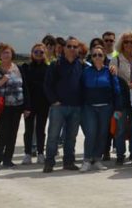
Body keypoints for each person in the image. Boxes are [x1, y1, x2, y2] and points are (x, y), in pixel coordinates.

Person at [43, 38, 85, 173]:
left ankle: (69, 162)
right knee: (53, 136)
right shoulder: (56, 64)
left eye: (75, 46)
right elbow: (47, 85)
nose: (72, 49)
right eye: (69, 46)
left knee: (71, 137)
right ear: (64, 48)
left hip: (76, 107)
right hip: (58, 108)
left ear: (78, 49)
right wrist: (54, 101)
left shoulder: (82, 65)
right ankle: (49, 162)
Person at [0, 43, 27, 170]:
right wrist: (0, 82)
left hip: (17, 106)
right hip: (3, 107)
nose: (6, 55)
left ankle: (8, 159)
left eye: (8, 52)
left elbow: (25, 88)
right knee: (2, 133)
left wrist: (26, 107)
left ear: (12, 54)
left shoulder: (18, 69)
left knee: (13, 134)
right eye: (3, 53)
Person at [80, 45, 121, 171]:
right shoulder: (86, 72)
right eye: (94, 55)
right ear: (91, 57)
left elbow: (117, 90)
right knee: (91, 133)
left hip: (106, 108)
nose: (97, 57)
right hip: (89, 108)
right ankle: (87, 160)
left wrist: (117, 108)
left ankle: (97, 159)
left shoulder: (110, 71)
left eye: (100, 55)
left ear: (104, 57)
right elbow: (81, 89)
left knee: (103, 134)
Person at [112, 31, 132, 165]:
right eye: (126, 42)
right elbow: (113, 78)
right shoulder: (117, 58)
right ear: (122, 44)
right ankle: (120, 154)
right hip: (122, 98)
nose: (129, 44)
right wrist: (126, 84)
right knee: (120, 128)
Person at [20, 43, 49, 165]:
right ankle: (27, 153)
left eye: (41, 52)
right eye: (36, 52)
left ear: (44, 54)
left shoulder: (48, 68)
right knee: (28, 129)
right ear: (32, 53)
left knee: (40, 130)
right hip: (29, 103)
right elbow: (24, 87)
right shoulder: (26, 67)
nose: (38, 54)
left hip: (43, 103)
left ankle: (41, 153)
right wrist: (25, 106)